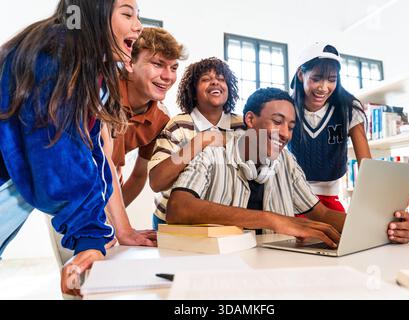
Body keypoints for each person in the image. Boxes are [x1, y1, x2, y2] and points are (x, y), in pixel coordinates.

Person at [0, 0, 141, 296]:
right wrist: (89, 235)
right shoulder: (57, 54)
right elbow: (59, 155)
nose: (138, 26)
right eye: (127, 13)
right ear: (93, 12)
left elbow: (91, 152)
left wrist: (99, 231)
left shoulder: (84, 66)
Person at [166, 88, 409, 247]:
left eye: (291, 126)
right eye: (277, 122)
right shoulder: (212, 153)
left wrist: (385, 227)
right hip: (214, 270)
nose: (286, 133)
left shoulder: (286, 161)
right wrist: (271, 219)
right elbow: (178, 209)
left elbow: (320, 214)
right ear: (250, 119)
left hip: (271, 268)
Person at [109, 28, 187, 243]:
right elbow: (99, 165)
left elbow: (139, 175)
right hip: (69, 189)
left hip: (107, 189)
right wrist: (120, 227)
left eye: (173, 67)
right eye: (157, 64)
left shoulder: (161, 119)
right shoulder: (104, 92)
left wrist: (114, 219)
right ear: (130, 63)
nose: (168, 76)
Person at [148, 57, 244, 229]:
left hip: (224, 221)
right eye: (206, 79)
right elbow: (157, 182)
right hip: (174, 220)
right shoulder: (178, 125)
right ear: (193, 91)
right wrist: (200, 141)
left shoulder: (242, 125)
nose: (215, 82)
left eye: (221, 79)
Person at [289, 42, 371, 212]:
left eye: (331, 80)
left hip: (329, 198)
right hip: (291, 196)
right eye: (316, 78)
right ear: (300, 74)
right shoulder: (286, 106)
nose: (324, 87)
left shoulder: (348, 107)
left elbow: (367, 165)